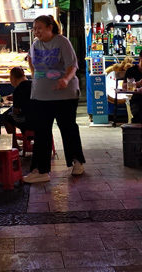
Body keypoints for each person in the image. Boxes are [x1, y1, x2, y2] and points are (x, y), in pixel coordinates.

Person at [23, 15, 86, 183]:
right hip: (40, 96)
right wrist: (35, 76)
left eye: (40, 28)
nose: (36, 32)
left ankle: (77, 161)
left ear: (50, 27)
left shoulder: (62, 42)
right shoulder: (35, 44)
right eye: (34, 28)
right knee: (41, 132)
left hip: (64, 96)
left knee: (68, 128)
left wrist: (65, 79)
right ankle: (40, 170)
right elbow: (30, 59)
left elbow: (72, 65)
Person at [2, 67, 31, 135]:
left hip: (28, 120)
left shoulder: (18, 90)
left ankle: (13, 139)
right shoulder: (33, 84)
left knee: (7, 117)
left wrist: (16, 100)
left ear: (13, 79)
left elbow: (16, 111)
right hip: (41, 118)